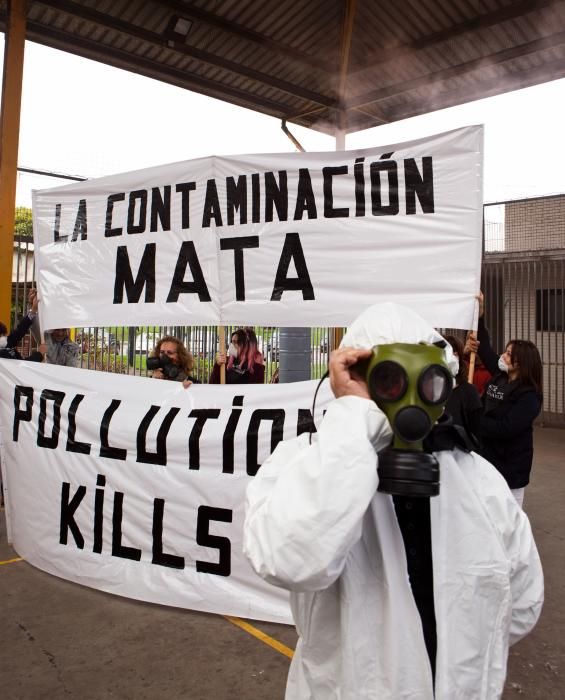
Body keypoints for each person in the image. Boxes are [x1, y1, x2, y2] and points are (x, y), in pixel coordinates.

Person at [244, 302, 543, 700]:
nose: (408, 402)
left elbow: (519, 600)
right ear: (351, 378)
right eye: (387, 381)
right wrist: (353, 424)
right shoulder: (307, 464)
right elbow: (290, 558)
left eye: (426, 382)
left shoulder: (478, 480)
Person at [467, 293, 543, 507]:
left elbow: (506, 428)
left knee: (508, 518)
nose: (503, 355)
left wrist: (474, 422)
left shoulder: (529, 395)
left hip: (511, 467)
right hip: (488, 458)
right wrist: (479, 316)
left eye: (509, 354)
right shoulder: (500, 375)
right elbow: (485, 348)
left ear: (520, 363)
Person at [443, 334, 482, 444]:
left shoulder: (469, 392)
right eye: (447, 352)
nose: (452, 357)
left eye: (455, 353)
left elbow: (476, 434)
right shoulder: (427, 390)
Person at [0, 289, 41, 361]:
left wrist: (33, 309)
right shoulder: (3, 353)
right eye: (2, 336)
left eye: (4, 335)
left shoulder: (6, 343)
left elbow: (20, 330)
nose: (5, 338)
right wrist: (40, 353)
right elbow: (21, 367)